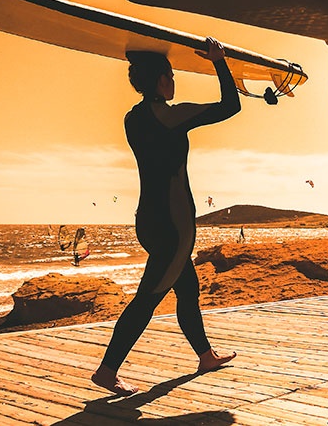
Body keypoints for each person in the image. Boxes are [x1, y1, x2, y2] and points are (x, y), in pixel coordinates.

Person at [91, 37, 239, 396]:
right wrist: (220, 62)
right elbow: (230, 106)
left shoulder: (132, 118)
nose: (174, 82)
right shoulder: (170, 115)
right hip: (174, 226)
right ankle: (107, 370)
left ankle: (205, 355)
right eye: (170, 75)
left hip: (148, 220)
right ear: (159, 81)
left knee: (187, 288)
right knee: (148, 298)